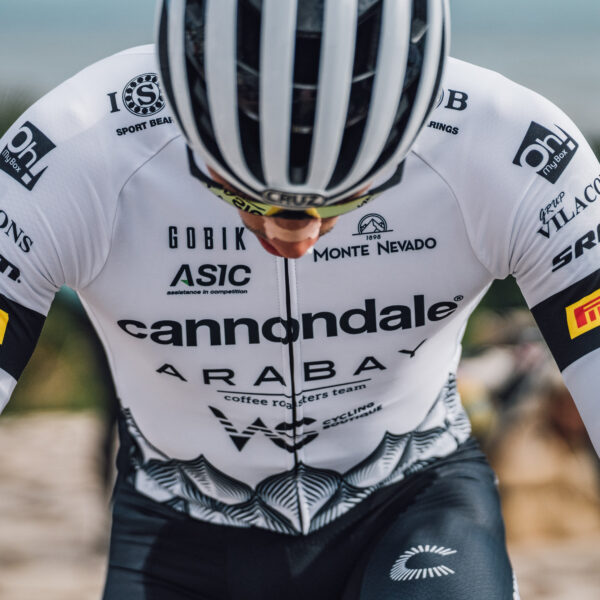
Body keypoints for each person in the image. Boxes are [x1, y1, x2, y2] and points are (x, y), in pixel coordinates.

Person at [0, 0, 598, 598]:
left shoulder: (509, 148)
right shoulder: (75, 148)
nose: (295, 236)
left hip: (413, 505)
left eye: (345, 195)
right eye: (244, 192)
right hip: (178, 533)